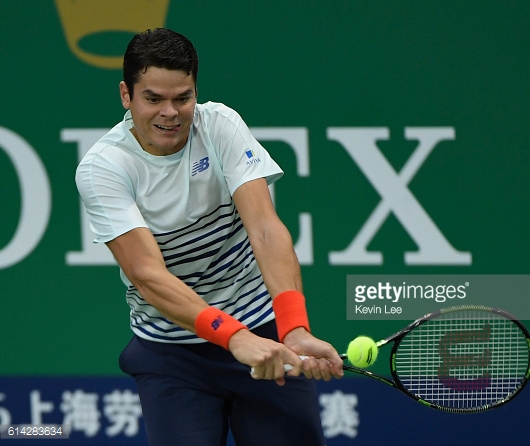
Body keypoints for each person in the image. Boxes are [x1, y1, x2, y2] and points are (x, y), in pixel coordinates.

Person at [75, 28, 343, 445]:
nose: (171, 112)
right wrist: (233, 336)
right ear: (126, 95)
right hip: (173, 356)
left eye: (183, 97)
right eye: (153, 99)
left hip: (264, 329)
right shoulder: (104, 168)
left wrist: (293, 328)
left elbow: (266, 229)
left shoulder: (219, 125)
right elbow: (148, 275)